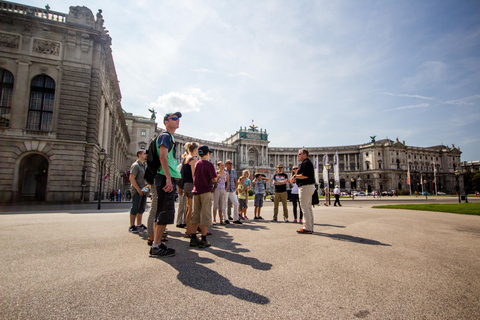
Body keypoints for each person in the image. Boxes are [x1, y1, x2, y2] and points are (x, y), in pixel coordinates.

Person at [150, 112, 182, 258]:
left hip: (164, 176)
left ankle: (157, 243)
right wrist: (168, 178)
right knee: (163, 211)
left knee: (162, 211)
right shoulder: (165, 136)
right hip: (164, 177)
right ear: (166, 122)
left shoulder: (170, 137)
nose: (177, 120)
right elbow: (163, 157)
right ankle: (156, 246)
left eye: (178, 118)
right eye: (174, 118)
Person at [189, 145, 217, 248]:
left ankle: (193, 238)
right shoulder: (209, 164)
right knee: (205, 215)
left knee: (195, 214)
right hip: (205, 191)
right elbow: (214, 179)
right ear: (207, 153)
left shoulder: (197, 164)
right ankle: (204, 239)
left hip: (196, 191)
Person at [295, 148, 316, 234]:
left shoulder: (306, 163)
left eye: (299, 154)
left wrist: (295, 176)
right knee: (308, 207)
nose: (298, 156)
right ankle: (310, 226)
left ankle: (307, 227)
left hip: (306, 187)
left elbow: (305, 176)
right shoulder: (307, 163)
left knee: (304, 207)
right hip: (309, 187)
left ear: (304, 155)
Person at [181, 142, 199, 237]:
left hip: (186, 184)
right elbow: (194, 175)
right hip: (191, 185)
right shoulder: (193, 159)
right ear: (195, 149)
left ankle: (188, 229)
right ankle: (191, 231)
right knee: (192, 209)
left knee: (188, 208)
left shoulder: (185, 158)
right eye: (197, 149)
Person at [128, 149, 148, 233]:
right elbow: (131, 178)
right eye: (144, 153)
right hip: (137, 190)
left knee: (141, 208)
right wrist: (138, 190)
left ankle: (139, 224)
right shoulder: (135, 165)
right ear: (139, 155)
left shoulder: (144, 165)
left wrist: (147, 189)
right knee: (135, 208)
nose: (146, 155)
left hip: (144, 190)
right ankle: (132, 226)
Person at [225, 160, 242, 224]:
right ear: (226, 164)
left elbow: (235, 180)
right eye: (229, 163)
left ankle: (235, 219)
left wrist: (235, 187)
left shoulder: (233, 171)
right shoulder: (224, 171)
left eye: (231, 163)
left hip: (232, 189)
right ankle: (226, 218)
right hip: (226, 189)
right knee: (225, 204)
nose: (231, 165)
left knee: (236, 203)